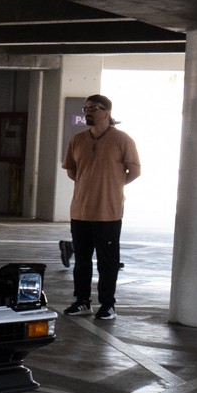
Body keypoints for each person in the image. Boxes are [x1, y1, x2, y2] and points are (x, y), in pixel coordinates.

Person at [61, 93, 140, 320]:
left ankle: (108, 305)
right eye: (86, 108)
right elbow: (71, 170)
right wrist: (89, 185)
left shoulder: (122, 140)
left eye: (93, 108)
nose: (88, 111)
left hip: (108, 212)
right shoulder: (77, 140)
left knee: (107, 262)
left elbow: (134, 171)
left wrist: (112, 185)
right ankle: (82, 301)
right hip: (80, 210)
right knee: (82, 260)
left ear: (106, 112)